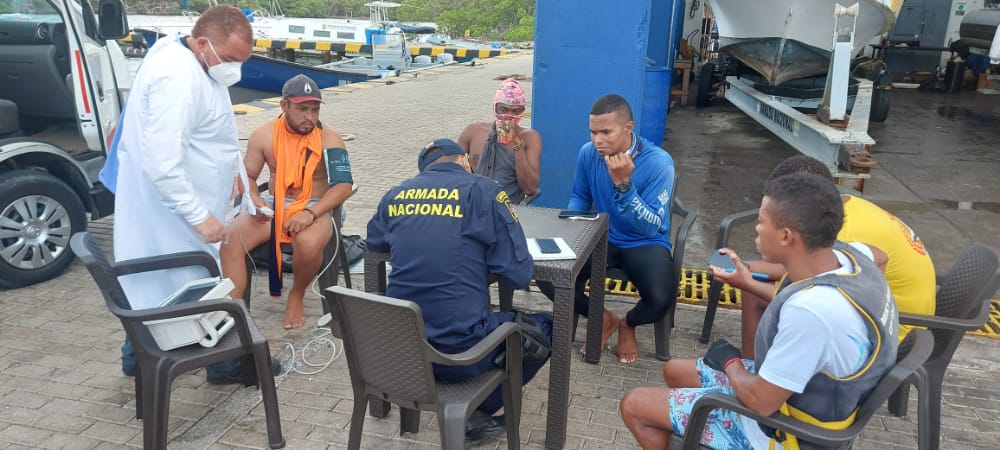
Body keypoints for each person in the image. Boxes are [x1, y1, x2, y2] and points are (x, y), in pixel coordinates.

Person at [619, 173, 899, 449]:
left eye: (762, 222)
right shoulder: (851, 256)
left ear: (786, 236)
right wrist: (746, 282)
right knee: (675, 371)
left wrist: (732, 364)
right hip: (802, 395)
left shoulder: (812, 312)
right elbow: (880, 256)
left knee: (634, 405)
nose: (756, 228)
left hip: (783, 433)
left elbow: (760, 402)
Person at [103, 6, 270, 384]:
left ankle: (136, 355)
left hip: (179, 204)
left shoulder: (184, 56)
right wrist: (200, 216)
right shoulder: (177, 78)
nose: (234, 70)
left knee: (157, 288)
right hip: (175, 211)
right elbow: (162, 161)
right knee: (200, 281)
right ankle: (223, 364)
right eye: (228, 59)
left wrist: (236, 173)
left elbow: (213, 134)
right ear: (201, 42)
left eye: (241, 61)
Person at [366, 138, 552, 446]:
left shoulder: (395, 194)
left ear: (424, 171)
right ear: (465, 161)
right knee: (548, 327)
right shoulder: (485, 191)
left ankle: (456, 407)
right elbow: (519, 274)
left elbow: (375, 244)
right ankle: (475, 412)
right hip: (460, 352)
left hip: (405, 352)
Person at [727, 155, 934, 357]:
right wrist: (743, 266)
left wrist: (747, 277)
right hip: (899, 319)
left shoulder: (842, 233)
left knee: (755, 292)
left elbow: (809, 289)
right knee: (757, 281)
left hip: (895, 332)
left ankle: (752, 365)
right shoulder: (844, 209)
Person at [537, 94, 676, 364]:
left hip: (644, 242)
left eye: (605, 132)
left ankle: (628, 324)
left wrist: (624, 186)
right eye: (592, 132)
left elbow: (650, 227)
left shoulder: (658, 163)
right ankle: (602, 318)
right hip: (603, 236)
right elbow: (580, 196)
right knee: (548, 274)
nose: (597, 140)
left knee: (661, 299)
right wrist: (572, 228)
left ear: (628, 128)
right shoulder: (588, 154)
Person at [220, 74, 353, 330]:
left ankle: (297, 294)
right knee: (230, 239)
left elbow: (344, 186)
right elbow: (247, 176)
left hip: (317, 206)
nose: (310, 117)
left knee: (307, 241)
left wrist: (311, 213)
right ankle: (233, 313)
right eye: (302, 109)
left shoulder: (330, 138)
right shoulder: (263, 135)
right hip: (274, 203)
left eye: (315, 110)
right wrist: (255, 200)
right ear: (284, 106)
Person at [457, 78, 541, 204]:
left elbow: (530, 189)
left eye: (516, 111)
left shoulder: (529, 138)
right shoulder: (474, 131)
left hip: (508, 208)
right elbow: (451, 171)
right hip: (473, 205)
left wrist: (517, 145)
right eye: (503, 109)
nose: (508, 115)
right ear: (495, 107)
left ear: (522, 111)